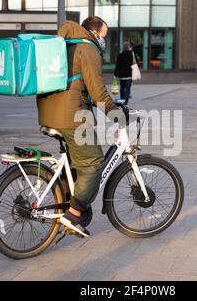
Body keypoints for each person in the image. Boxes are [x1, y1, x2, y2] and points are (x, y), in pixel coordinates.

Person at [37, 16, 121, 237]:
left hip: (49, 112)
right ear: (93, 32)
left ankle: (65, 199)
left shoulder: (65, 43)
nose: (103, 41)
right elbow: (98, 92)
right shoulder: (88, 49)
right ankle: (73, 214)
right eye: (103, 36)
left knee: (76, 163)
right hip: (71, 116)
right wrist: (117, 116)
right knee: (93, 163)